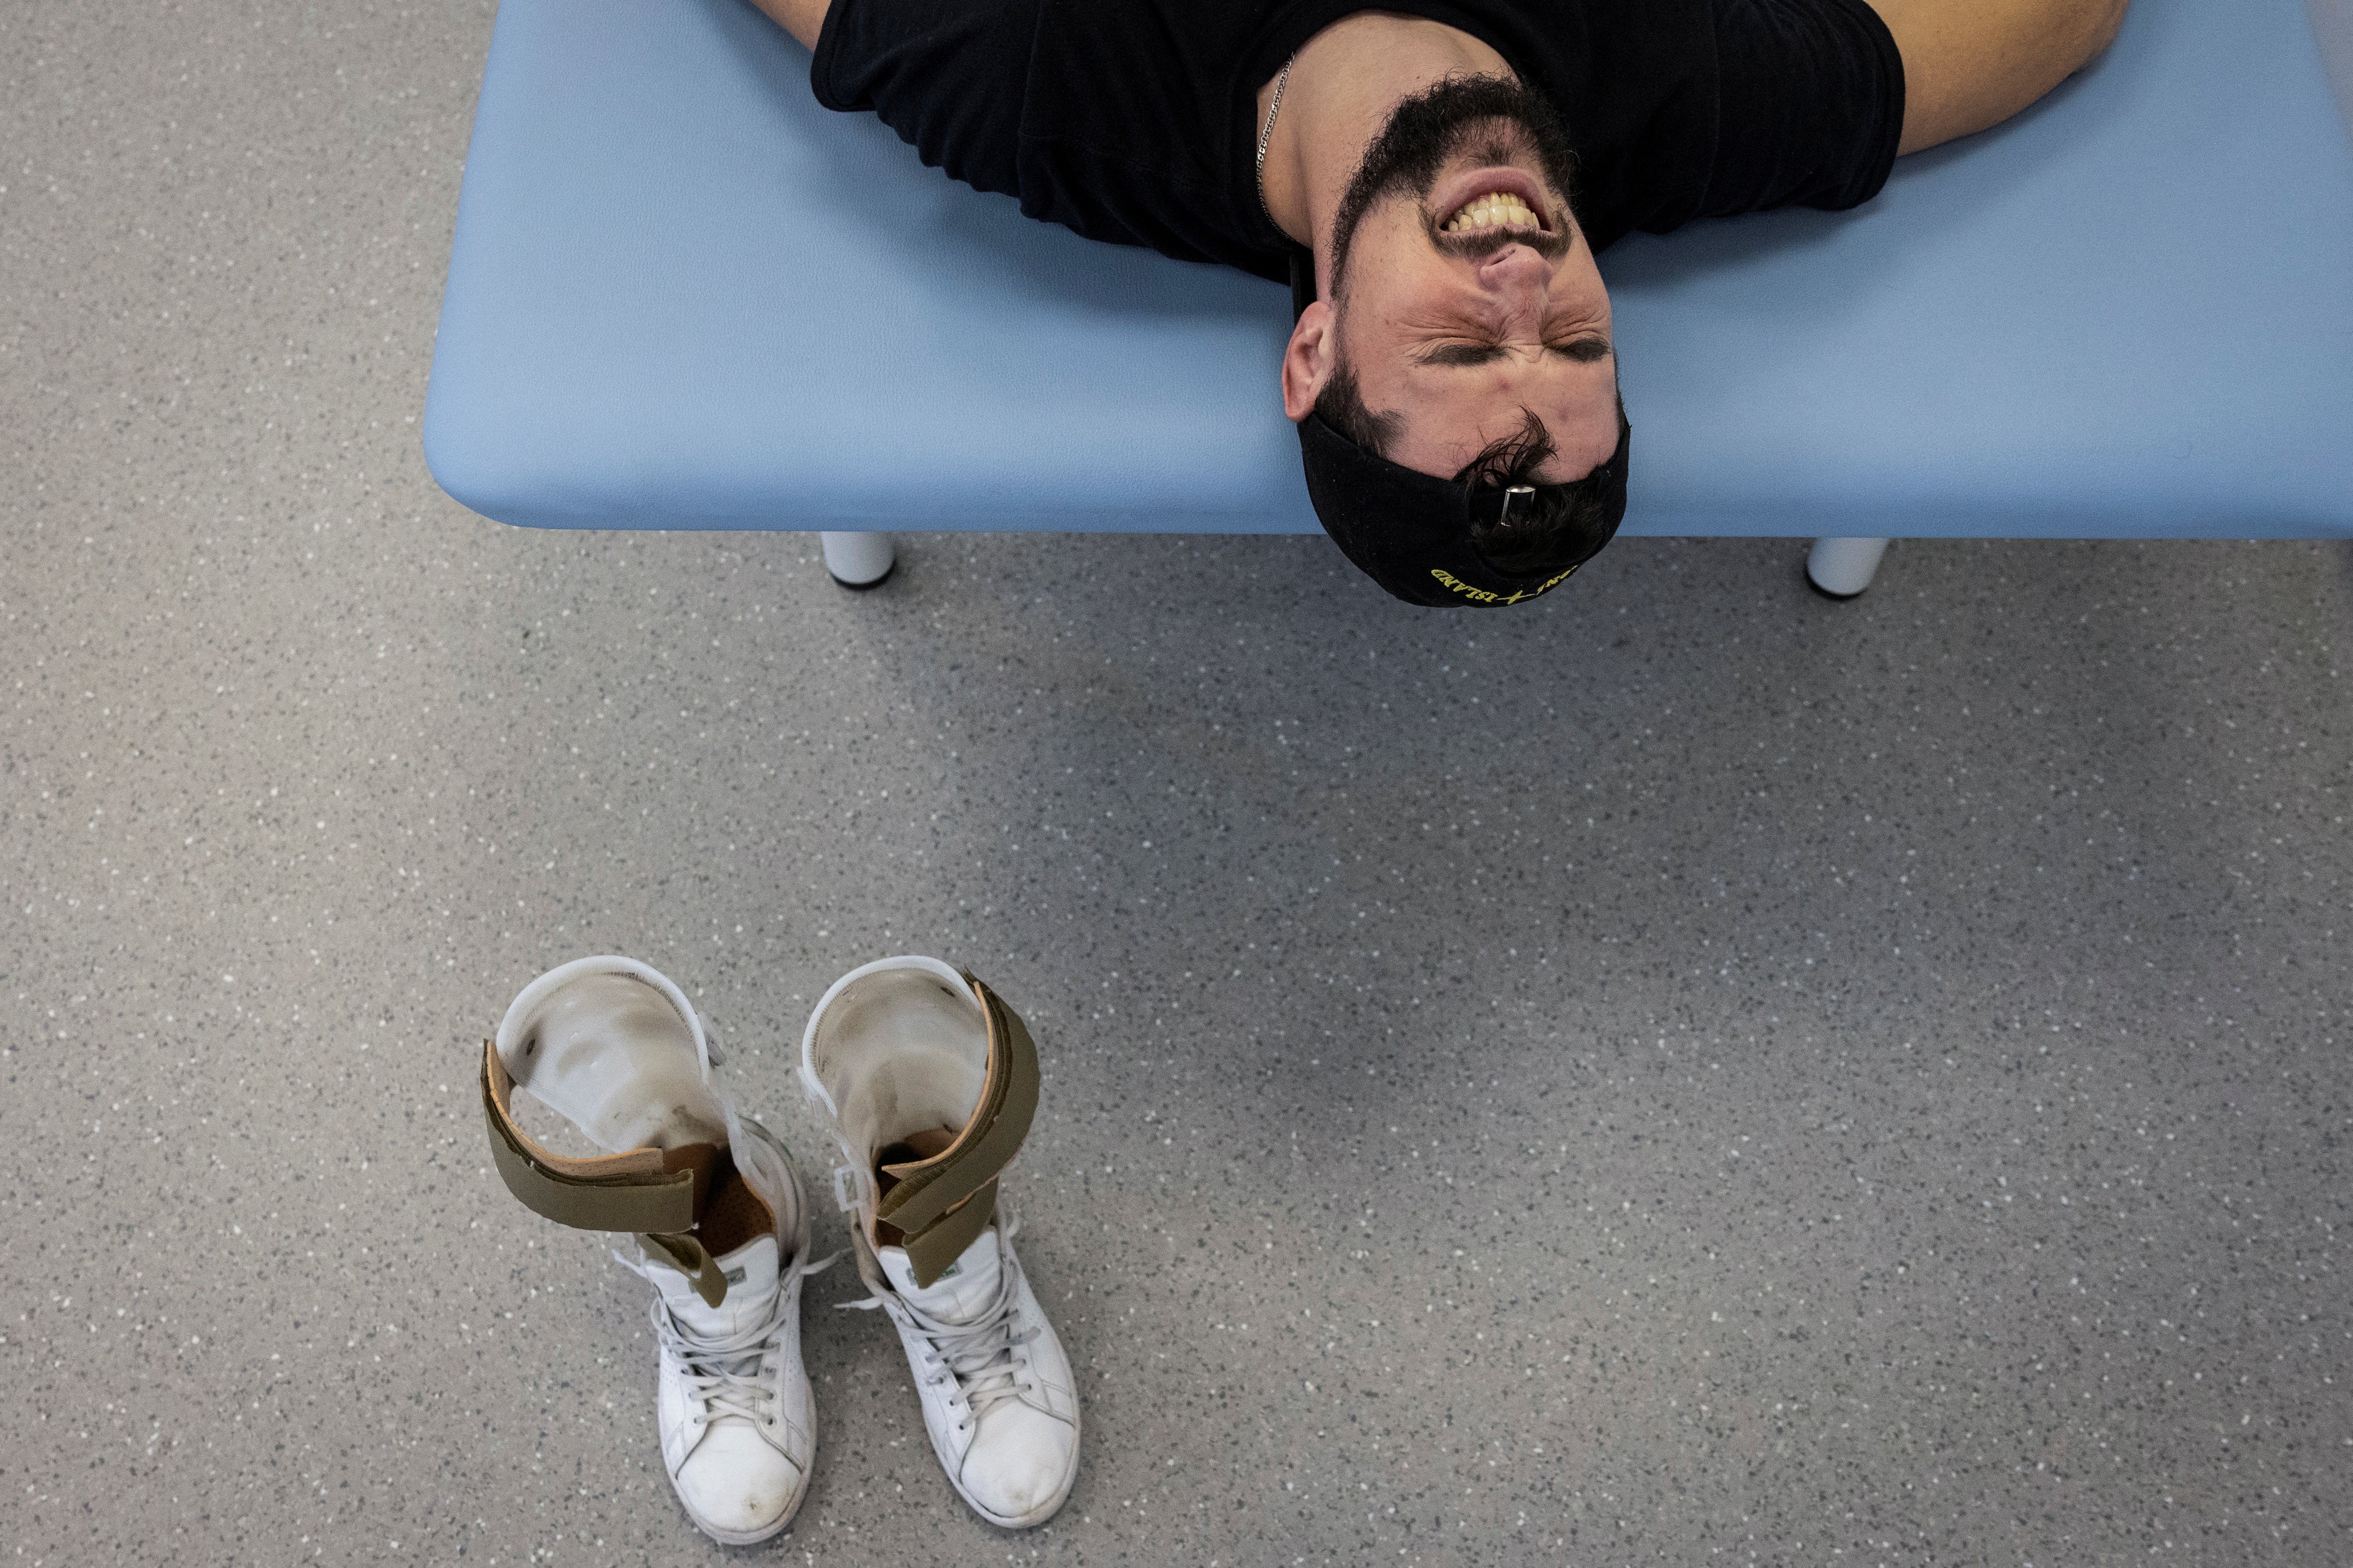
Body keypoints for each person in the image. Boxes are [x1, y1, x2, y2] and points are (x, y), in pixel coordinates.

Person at [744, 0, 2127, 604]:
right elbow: (2063, 17)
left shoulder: (1038, 73)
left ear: (1314, 349)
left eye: (1467, 345)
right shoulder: (1673, 109)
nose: (1526, 278)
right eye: (1578, 338)